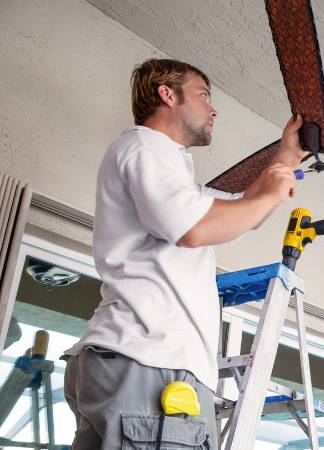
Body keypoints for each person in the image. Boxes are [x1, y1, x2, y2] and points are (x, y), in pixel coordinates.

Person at [62, 58, 307, 449]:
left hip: (130, 361)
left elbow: (241, 207)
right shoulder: (146, 144)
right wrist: (276, 193)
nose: (213, 109)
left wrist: (288, 155)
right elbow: (196, 229)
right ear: (167, 93)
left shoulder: (168, 173)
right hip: (152, 361)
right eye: (203, 95)